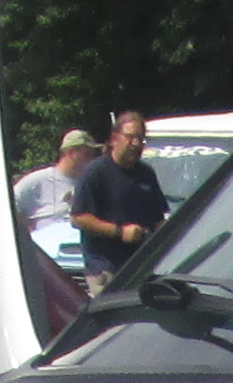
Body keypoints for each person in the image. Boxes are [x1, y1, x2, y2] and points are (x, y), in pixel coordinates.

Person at [69, 109, 167, 279]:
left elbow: (158, 220)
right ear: (114, 139)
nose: (136, 143)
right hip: (105, 271)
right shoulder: (96, 171)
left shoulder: (146, 173)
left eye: (141, 139)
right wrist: (120, 232)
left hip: (141, 269)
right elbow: (78, 218)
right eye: (130, 137)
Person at [12, 121, 94, 269]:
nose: (92, 159)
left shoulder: (90, 183)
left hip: (79, 258)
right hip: (45, 260)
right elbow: (9, 205)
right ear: (71, 153)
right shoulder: (37, 181)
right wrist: (28, 231)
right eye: (87, 154)